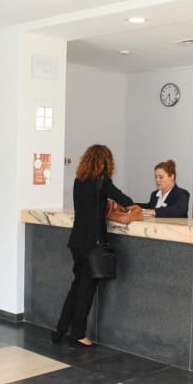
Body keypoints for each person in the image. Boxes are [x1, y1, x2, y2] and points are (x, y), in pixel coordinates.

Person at [52, 144, 134, 348]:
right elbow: (126, 200)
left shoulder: (78, 181)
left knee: (76, 286)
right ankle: (78, 334)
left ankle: (61, 329)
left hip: (76, 241)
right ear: (106, 162)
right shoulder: (102, 181)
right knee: (86, 290)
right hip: (93, 245)